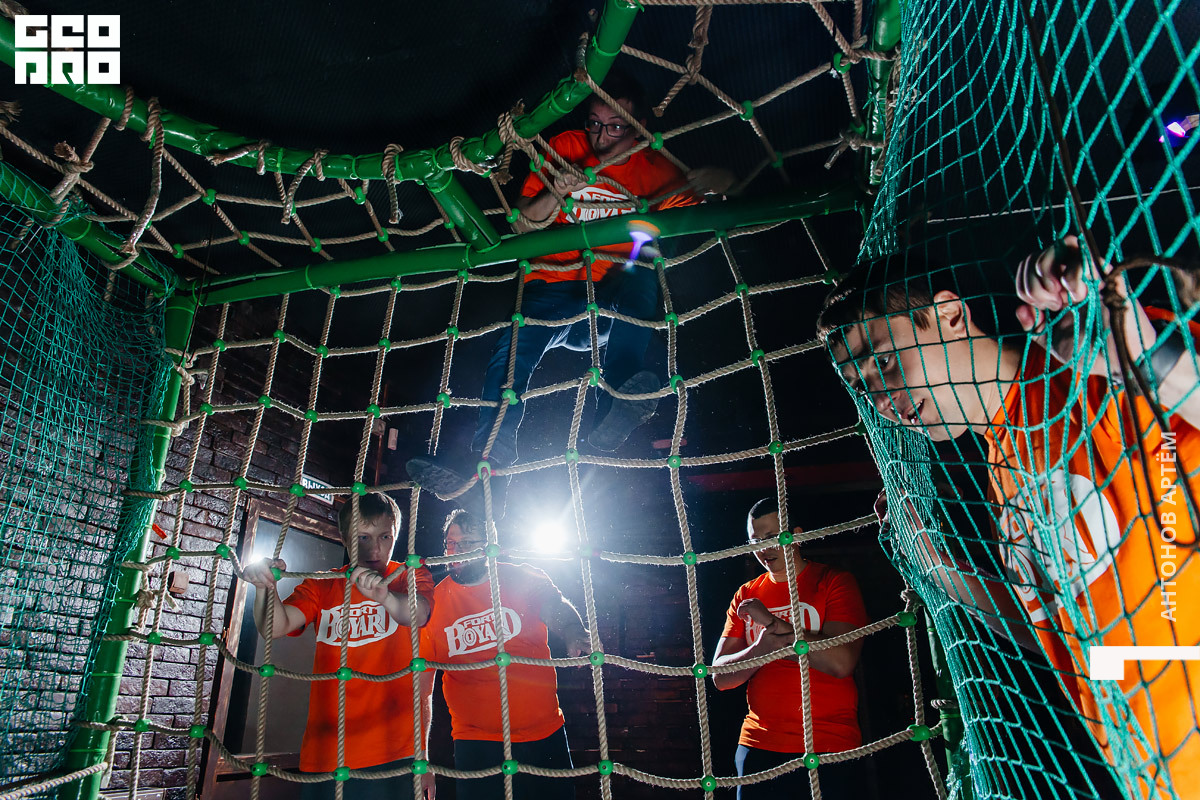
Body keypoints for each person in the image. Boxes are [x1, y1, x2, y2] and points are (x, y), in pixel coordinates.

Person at [816, 239, 1199, 798]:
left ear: (950, 314)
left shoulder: (1084, 372)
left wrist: (1140, 355)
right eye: (862, 387)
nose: (880, 398)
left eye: (886, 362)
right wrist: (942, 570)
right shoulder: (1002, 466)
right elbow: (1075, 644)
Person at [407, 71, 734, 514]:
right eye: (594, 123)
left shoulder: (657, 169)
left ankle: (618, 398)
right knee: (513, 348)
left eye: (615, 126)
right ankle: (488, 453)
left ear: (638, 127)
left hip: (610, 294)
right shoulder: (565, 148)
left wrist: (717, 180)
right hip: (554, 287)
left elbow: (724, 189)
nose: (601, 136)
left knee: (646, 258)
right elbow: (522, 223)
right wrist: (557, 190)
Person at [242, 492, 435, 800]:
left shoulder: (409, 574)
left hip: (394, 752)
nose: (375, 549)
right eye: (363, 537)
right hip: (325, 753)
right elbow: (274, 626)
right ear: (345, 539)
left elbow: (418, 613)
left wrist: (385, 597)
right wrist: (265, 587)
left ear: (395, 536)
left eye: (385, 536)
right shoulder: (324, 584)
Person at [419, 510, 589, 800]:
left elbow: (554, 605)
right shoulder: (432, 605)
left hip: (543, 736)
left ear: (490, 546)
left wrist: (573, 631)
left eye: (467, 543)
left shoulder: (522, 577)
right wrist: (421, 758)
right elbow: (422, 689)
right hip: (476, 744)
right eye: (451, 543)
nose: (456, 552)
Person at [712, 498, 869, 799]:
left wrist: (774, 625)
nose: (764, 549)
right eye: (756, 541)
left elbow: (841, 662)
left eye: (772, 537)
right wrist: (762, 648)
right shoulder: (746, 595)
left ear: (796, 534)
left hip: (829, 743)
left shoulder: (834, 582)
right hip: (758, 744)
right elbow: (720, 677)